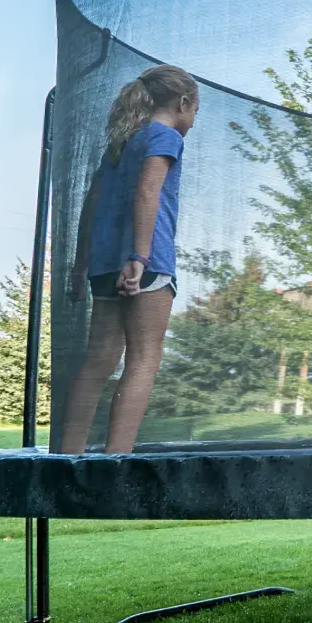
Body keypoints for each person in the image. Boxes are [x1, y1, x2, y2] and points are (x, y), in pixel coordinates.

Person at [58, 64, 199, 455]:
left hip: (103, 265)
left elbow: (91, 204)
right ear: (183, 102)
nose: (192, 121)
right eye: (195, 112)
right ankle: (115, 459)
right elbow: (147, 192)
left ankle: (68, 457)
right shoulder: (164, 136)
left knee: (98, 360)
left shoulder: (120, 143)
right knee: (144, 358)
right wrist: (139, 255)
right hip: (146, 261)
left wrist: (80, 265)